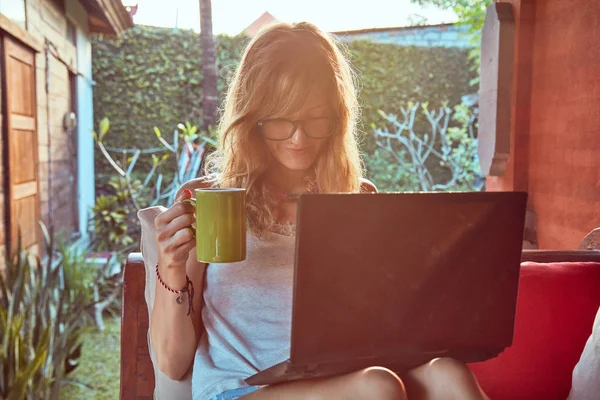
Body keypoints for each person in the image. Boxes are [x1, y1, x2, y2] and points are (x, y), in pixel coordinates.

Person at [147, 21, 489, 400]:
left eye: (314, 119)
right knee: (376, 387)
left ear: (337, 117)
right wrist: (173, 268)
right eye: (281, 119)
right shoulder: (206, 201)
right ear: (252, 120)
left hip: (342, 378)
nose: (299, 138)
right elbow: (172, 362)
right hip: (240, 391)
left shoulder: (356, 197)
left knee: (447, 373)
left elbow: (382, 320)